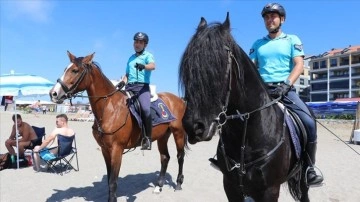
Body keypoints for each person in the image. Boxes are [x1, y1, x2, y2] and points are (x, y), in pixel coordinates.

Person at [249, 3, 323, 186]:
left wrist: (286, 84)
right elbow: (251, 69)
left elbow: (298, 64)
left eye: (273, 16)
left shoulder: (292, 40)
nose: (269, 20)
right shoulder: (257, 44)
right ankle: (227, 160)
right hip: (262, 91)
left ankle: (309, 168)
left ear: (282, 19)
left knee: (308, 122)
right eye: (266, 17)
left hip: (285, 90)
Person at [116, 32, 155, 150]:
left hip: (142, 88)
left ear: (145, 44)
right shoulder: (130, 58)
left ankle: (147, 138)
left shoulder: (148, 55)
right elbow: (127, 74)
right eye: (136, 42)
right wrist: (123, 81)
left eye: (140, 42)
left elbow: (153, 66)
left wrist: (144, 66)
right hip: (129, 88)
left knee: (145, 109)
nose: (137, 44)